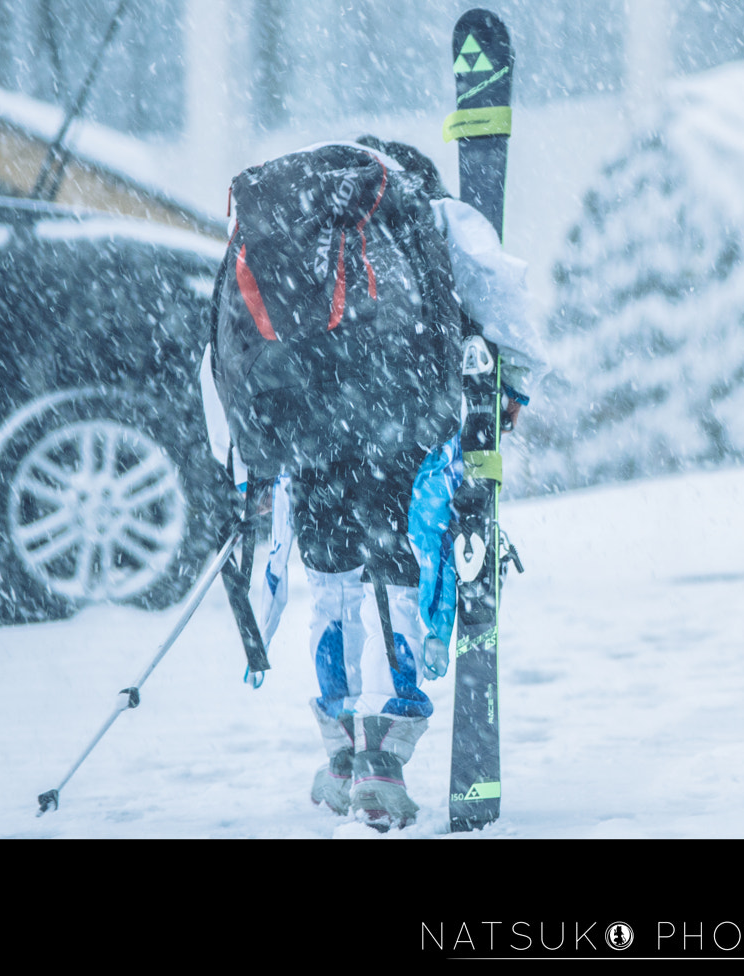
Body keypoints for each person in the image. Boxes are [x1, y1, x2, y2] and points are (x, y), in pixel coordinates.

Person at [206, 135, 545, 831]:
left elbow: (224, 341)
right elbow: (499, 290)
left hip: (305, 418)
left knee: (332, 582)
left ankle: (338, 751)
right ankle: (385, 759)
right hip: (399, 409)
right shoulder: (424, 208)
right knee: (398, 571)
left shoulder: (287, 212)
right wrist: (516, 385)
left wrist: (247, 451)